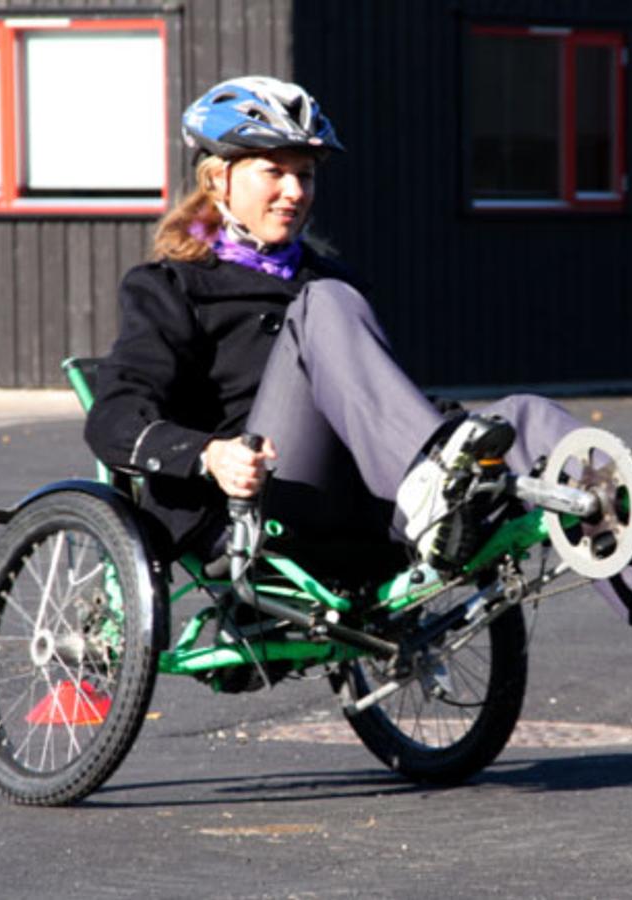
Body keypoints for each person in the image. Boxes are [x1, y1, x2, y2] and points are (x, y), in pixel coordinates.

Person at [84, 75, 585, 581]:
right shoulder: (171, 286)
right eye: (274, 171)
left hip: (363, 501)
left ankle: (627, 520)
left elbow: (377, 404)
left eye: (305, 175)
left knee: (526, 418)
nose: (294, 192)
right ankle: (429, 485)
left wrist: (469, 434)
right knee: (324, 301)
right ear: (218, 180)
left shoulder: (330, 279)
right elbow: (114, 416)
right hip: (258, 505)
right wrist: (209, 455)